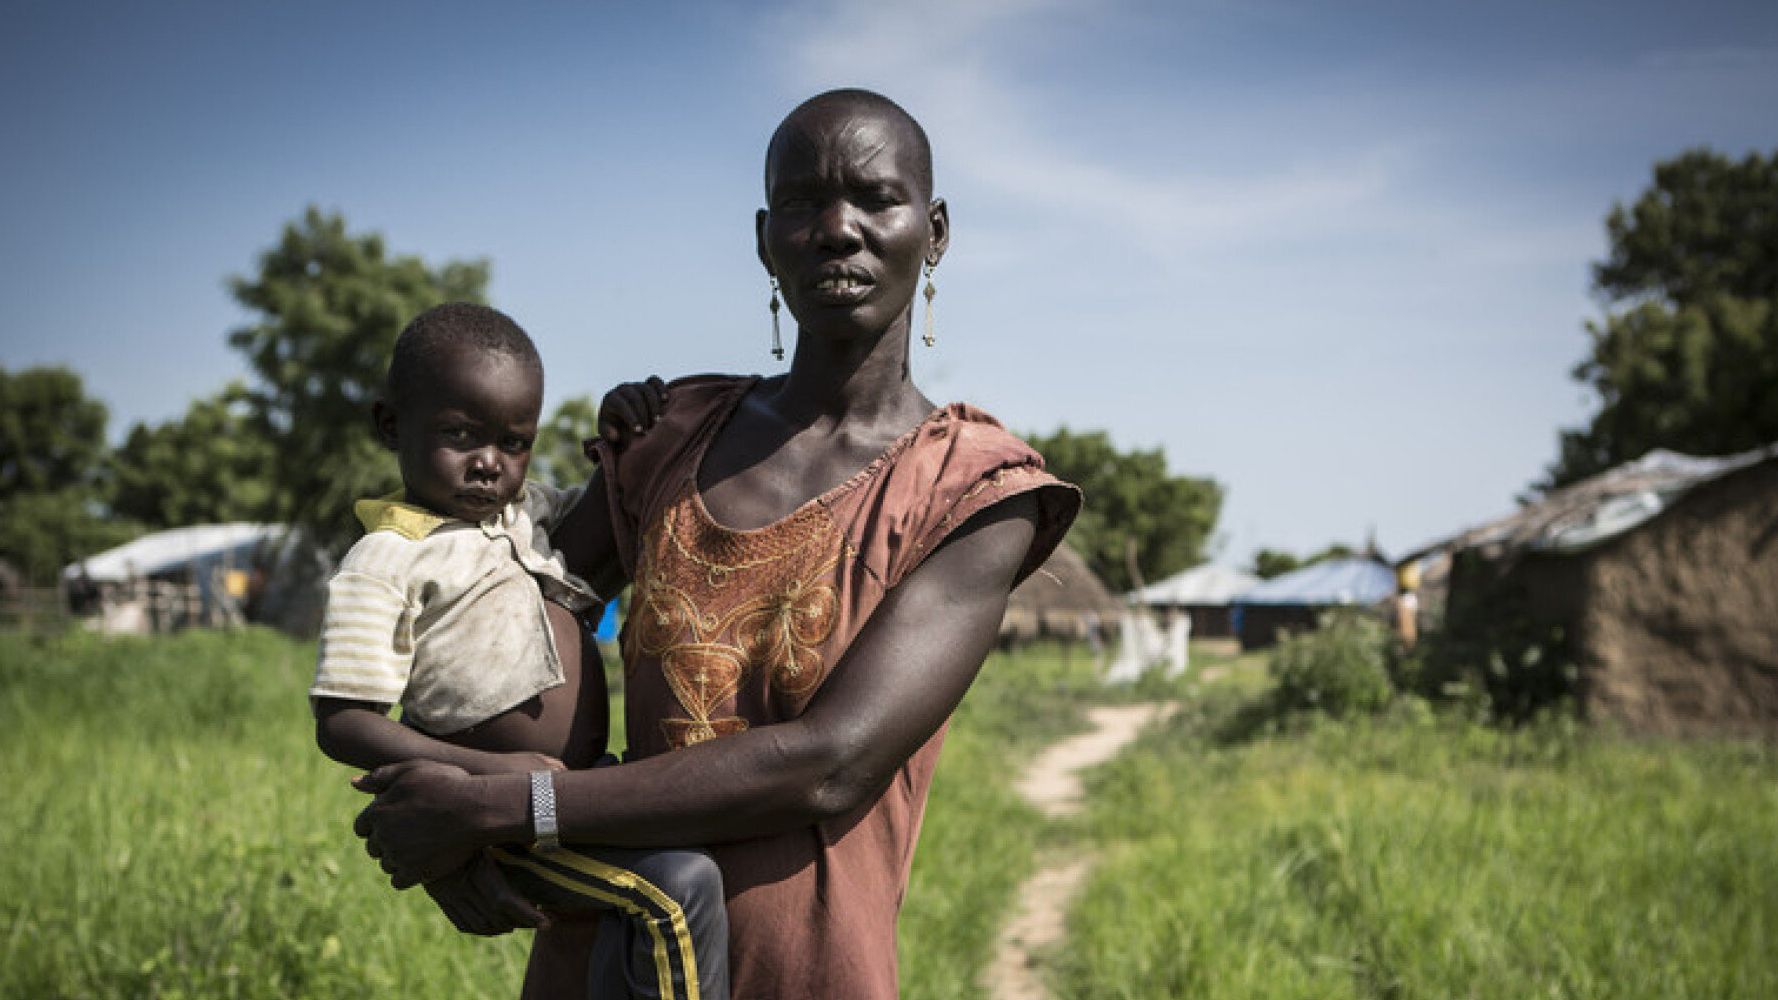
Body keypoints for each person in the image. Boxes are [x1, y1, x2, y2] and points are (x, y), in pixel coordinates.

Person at [353, 89, 1082, 998]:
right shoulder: (670, 434)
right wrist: (450, 824)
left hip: (803, 967)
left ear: (933, 231)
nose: (837, 228)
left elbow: (830, 765)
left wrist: (510, 805)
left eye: (875, 199)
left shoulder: (971, 493)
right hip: (610, 946)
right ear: (763, 236)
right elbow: (489, 613)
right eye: (802, 203)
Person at [309, 302, 728, 1000]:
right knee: (677, 889)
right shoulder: (384, 559)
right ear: (391, 425)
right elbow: (343, 721)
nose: (488, 464)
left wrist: (622, 423)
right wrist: (493, 776)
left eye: (513, 442)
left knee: (674, 871)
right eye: (459, 434)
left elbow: (611, 503)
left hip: (573, 794)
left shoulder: (525, 514)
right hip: (500, 824)